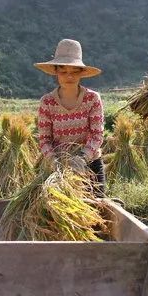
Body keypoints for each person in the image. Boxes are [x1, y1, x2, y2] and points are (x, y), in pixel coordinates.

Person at [35, 39, 106, 195]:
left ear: (81, 73)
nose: (69, 76)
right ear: (56, 72)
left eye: (74, 71)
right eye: (64, 71)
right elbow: (45, 140)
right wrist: (54, 161)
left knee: (98, 211)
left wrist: (81, 159)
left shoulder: (92, 99)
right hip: (58, 168)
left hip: (90, 165)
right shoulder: (47, 102)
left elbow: (97, 135)